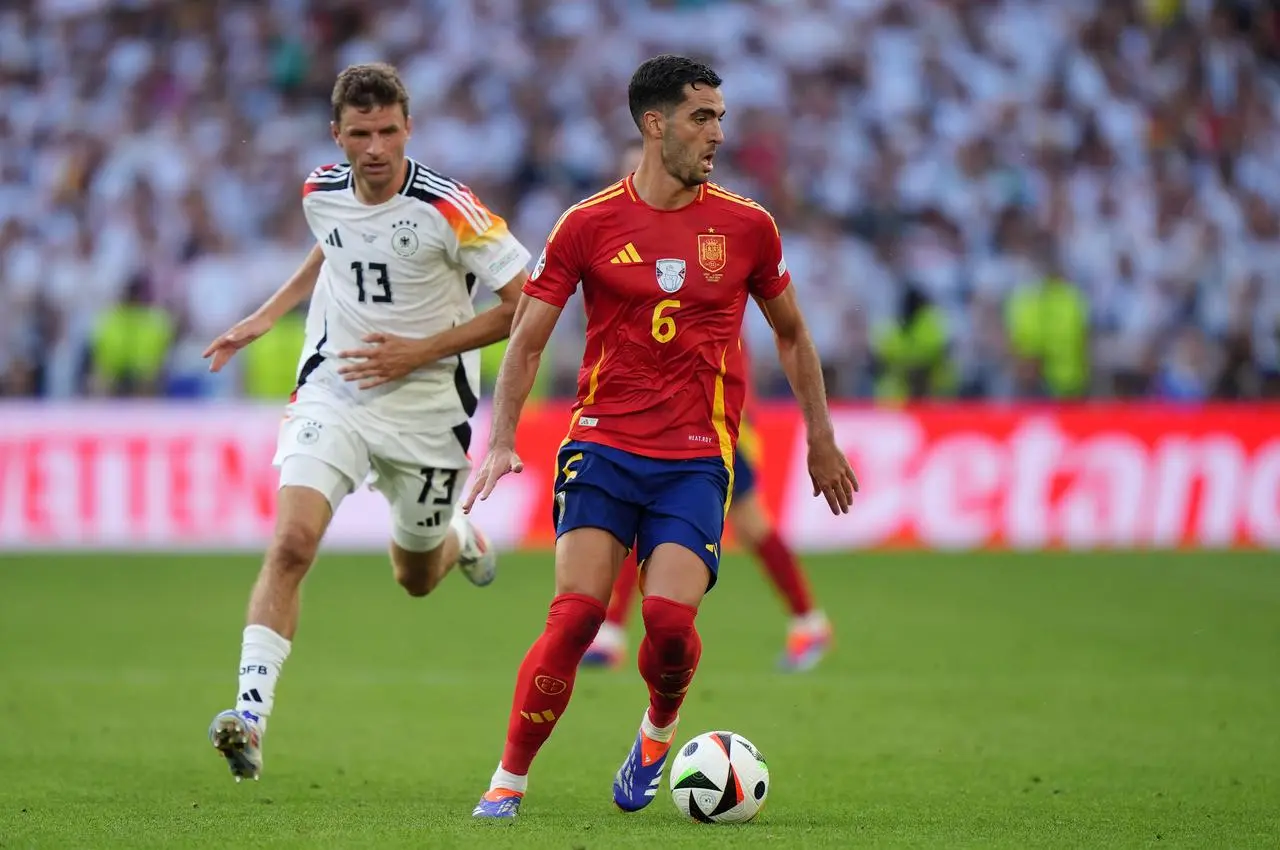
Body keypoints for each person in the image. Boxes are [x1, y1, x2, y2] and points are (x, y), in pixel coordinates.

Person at [463, 54, 858, 819]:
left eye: (720, 118)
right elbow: (527, 339)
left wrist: (820, 438)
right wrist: (503, 435)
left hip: (695, 462)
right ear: (656, 124)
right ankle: (506, 783)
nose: (717, 133)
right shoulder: (587, 224)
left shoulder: (748, 227)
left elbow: (793, 334)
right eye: (701, 117)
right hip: (603, 448)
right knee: (575, 614)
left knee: (669, 626)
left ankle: (657, 732)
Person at [200, 63, 532, 782]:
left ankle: (456, 536)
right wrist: (267, 314)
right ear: (338, 135)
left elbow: (526, 304)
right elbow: (334, 241)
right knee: (291, 543)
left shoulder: (452, 208)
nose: (375, 148)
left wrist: (421, 349)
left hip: (429, 414)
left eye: (387, 132)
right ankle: (249, 718)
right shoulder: (320, 188)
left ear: (408, 128)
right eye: (360, 134)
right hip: (337, 390)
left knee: (414, 578)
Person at [583, 143, 833, 673]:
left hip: (707, 418)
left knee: (747, 523)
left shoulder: (711, 237)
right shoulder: (617, 236)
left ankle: (808, 619)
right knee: (657, 519)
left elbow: (771, 329)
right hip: (648, 416)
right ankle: (613, 630)